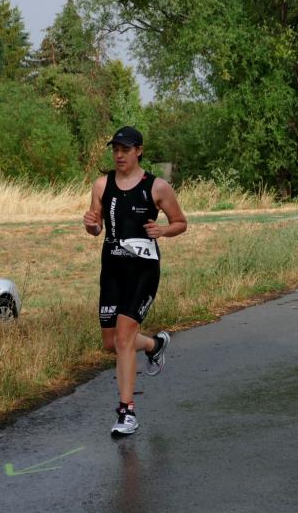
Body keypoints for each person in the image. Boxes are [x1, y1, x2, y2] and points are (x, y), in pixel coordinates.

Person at [83, 126, 187, 436]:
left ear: (138, 151)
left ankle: (126, 412)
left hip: (143, 271)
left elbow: (180, 223)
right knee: (111, 343)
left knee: (125, 338)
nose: (119, 155)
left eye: (125, 150)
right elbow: (96, 227)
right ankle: (155, 344)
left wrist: (163, 230)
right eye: (115, 149)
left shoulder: (157, 187)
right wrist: (90, 225)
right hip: (112, 270)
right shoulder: (102, 185)